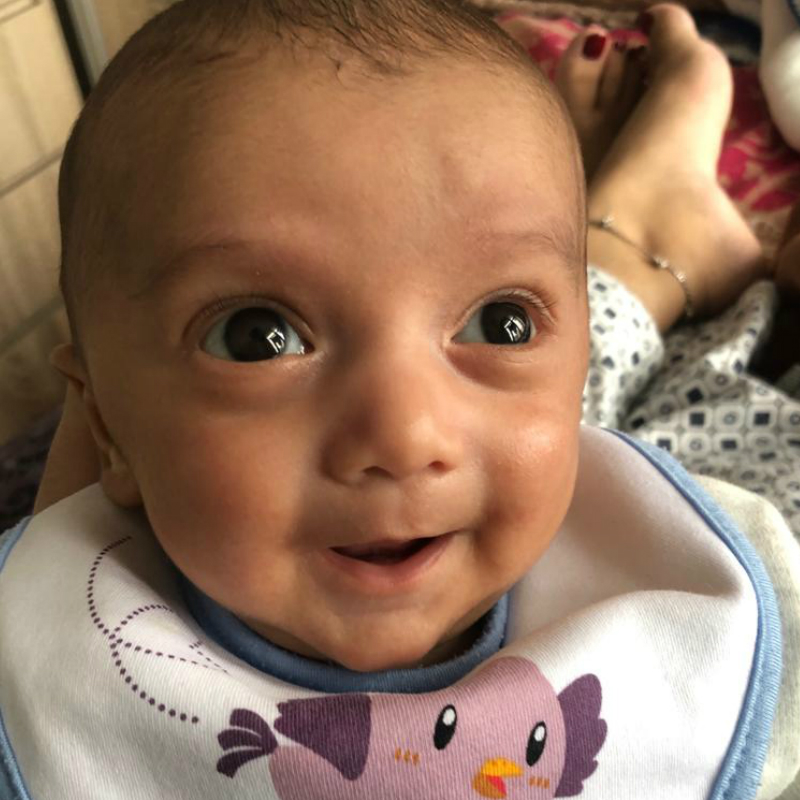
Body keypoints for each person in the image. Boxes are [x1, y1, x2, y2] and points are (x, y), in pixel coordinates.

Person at [0, 2, 798, 798]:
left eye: (504, 320)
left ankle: (638, 229)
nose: (406, 436)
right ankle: (640, 225)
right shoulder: (57, 665)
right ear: (104, 428)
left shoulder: (693, 587)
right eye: (257, 337)